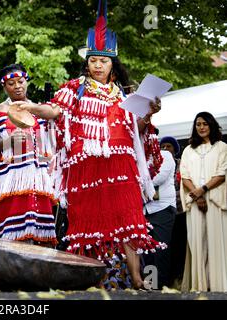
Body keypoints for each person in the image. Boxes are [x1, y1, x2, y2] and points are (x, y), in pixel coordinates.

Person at [15, 0, 166, 289]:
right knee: (89, 223)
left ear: (113, 64)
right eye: (94, 60)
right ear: (88, 62)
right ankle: (92, 281)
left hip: (121, 164)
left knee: (128, 218)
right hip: (86, 166)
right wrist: (32, 107)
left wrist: (149, 112)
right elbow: (55, 111)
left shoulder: (125, 94)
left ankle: (136, 278)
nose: (98, 65)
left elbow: (138, 130)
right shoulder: (75, 89)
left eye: (104, 61)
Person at [0, 63, 57, 246]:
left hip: (37, 178)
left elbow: (52, 137)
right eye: (12, 84)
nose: (17, 86)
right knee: (13, 236)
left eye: (21, 81)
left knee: (42, 234)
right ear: (4, 87)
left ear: (26, 82)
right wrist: (8, 142)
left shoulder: (38, 109)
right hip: (11, 180)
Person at [179, 111, 227, 292]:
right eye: (198, 124)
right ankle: (200, 287)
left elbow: (222, 174)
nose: (201, 127)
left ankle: (219, 287)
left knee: (216, 243)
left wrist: (203, 190)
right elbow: (185, 176)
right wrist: (197, 196)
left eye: (205, 124)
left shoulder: (222, 147)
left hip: (215, 201)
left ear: (211, 125)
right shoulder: (188, 150)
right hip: (195, 201)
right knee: (196, 242)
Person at [143, 134, 178, 289]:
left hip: (162, 209)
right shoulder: (141, 157)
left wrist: (137, 184)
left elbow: (159, 177)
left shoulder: (165, 155)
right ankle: (151, 287)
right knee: (147, 252)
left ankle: (162, 288)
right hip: (145, 210)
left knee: (161, 250)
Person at [160, 136, 187, 287]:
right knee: (166, 247)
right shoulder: (158, 165)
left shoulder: (182, 164)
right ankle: (167, 281)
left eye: (169, 146)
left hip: (181, 212)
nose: (165, 149)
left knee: (180, 246)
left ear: (175, 149)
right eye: (162, 146)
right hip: (164, 212)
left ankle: (180, 278)